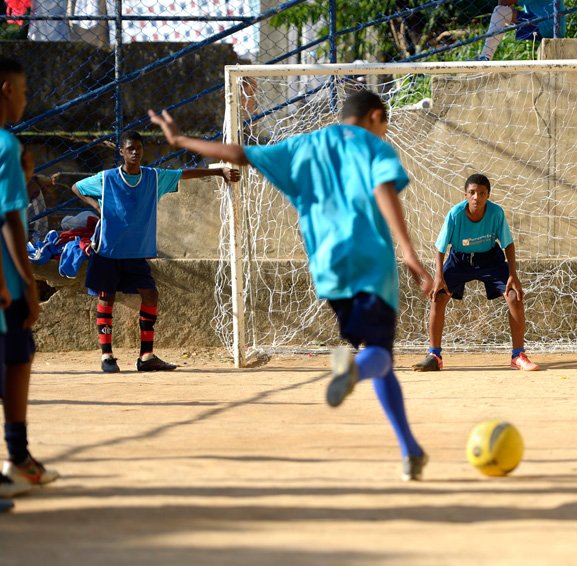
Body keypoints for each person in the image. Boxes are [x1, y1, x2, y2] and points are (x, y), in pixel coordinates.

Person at [148, 89, 434, 481]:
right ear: (375, 117)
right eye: (384, 125)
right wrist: (410, 253)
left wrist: (180, 141)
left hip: (329, 270)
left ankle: (411, 450)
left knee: (377, 357)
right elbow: (383, 190)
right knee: (380, 355)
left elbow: (239, 154)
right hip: (371, 263)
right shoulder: (372, 145)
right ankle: (350, 372)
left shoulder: (303, 145)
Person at [71, 131, 240, 373]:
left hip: (135, 253)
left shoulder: (153, 177)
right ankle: (107, 356)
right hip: (108, 250)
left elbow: (184, 174)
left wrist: (218, 171)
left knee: (150, 295)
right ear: (121, 152)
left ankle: (146, 356)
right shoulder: (107, 179)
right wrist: (97, 205)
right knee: (106, 297)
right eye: (130, 148)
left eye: (138, 148)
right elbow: (76, 187)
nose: (135, 152)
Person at [412, 174, 539, 372]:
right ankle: (434, 355)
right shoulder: (455, 214)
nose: (476, 197)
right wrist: (438, 276)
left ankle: (518, 356)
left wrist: (513, 274)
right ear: (466, 195)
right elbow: (440, 247)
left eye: (481, 193)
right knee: (438, 296)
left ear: (488, 195)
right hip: (459, 260)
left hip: (490, 259)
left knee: (514, 296)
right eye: (472, 193)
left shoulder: (496, 213)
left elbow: (508, 243)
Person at [0, 57, 57, 489]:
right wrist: (25, 284)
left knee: (19, 357)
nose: (24, 100)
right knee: (16, 359)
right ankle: (17, 456)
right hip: (6, 278)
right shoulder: (6, 146)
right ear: (5, 91)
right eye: (22, 92)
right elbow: (11, 222)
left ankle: (19, 457)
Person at [478, 0, 565, 61]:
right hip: (542, 22)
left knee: (500, 11)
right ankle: (485, 58)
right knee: (501, 11)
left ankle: (485, 58)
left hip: (548, 25)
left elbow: (504, 2)